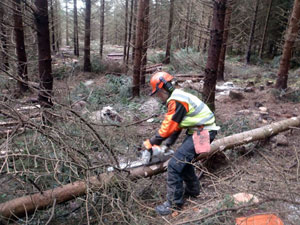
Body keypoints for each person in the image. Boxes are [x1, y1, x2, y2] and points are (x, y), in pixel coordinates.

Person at [143, 71, 219, 216]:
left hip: (203, 133)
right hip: (203, 131)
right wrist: (167, 145)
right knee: (184, 161)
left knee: (174, 165)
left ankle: (173, 204)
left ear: (165, 87)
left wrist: (152, 142)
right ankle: (193, 190)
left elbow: (169, 125)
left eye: (158, 93)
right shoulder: (178, 96)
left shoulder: (176, 100)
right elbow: (177, 126)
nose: (159, 96)